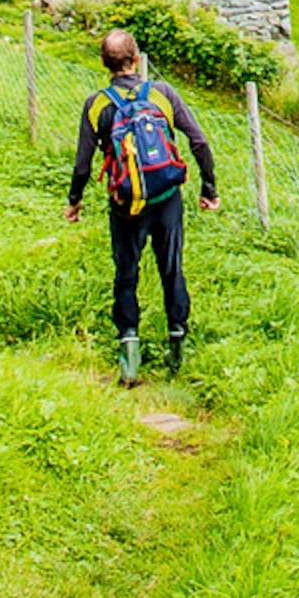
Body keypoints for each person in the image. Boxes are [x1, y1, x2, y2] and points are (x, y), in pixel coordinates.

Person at [63, 29, 218, 385]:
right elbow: (199, 141)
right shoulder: (162, 94)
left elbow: (83, 165)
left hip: (125, 205)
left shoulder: (97, 105)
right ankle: (177, 348)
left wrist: (75, 201)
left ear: (105, 64)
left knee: (126, 274)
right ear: (137, 59)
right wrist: (208, 186)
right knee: (171, 269)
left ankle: (129, 357)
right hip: (166, 198)